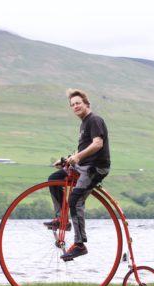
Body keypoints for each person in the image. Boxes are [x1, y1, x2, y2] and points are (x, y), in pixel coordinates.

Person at [44, 89, 111, 260]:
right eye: (72, 105)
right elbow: (81, 150)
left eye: (78, 103)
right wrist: (67, 160)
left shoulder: (94, 120)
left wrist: (78, 158)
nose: (75, 106)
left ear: (86, 104)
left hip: (94, 168)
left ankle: (80, 245)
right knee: (54, 179)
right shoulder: (84, 124)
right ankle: (62, 220)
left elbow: (97, 144)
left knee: (75, 200)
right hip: (83, 166)